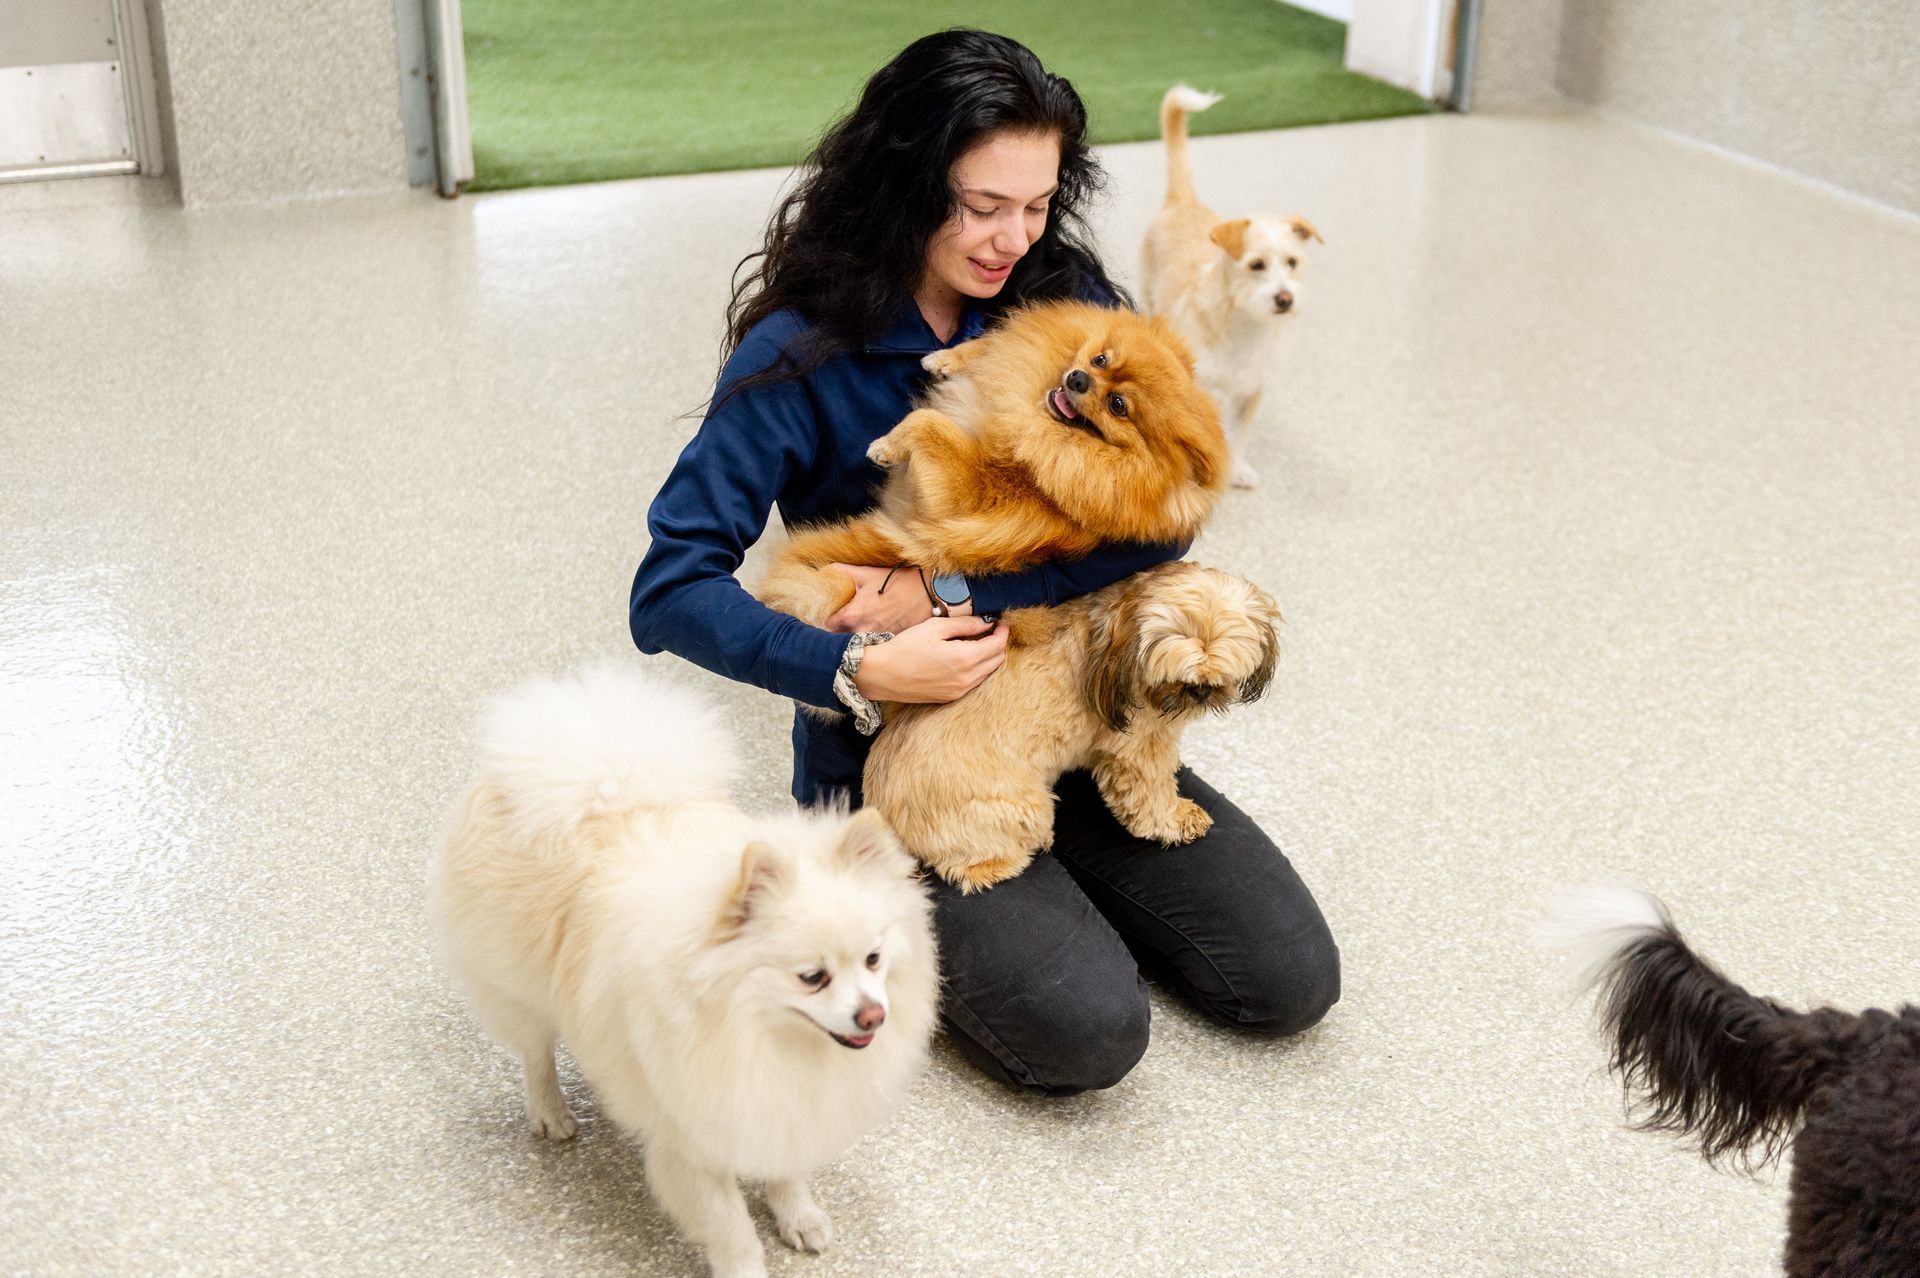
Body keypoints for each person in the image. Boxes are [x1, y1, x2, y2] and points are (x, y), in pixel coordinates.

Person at [630, 28, 1338, 1096]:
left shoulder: (1066, 297)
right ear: (906, 179)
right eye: (979, 204)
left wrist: (953, 591)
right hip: (905, 754)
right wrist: (858, 669)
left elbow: (1172, 509)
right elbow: (668, 589)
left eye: (1037, 203)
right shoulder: (798, 351)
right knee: (1093, 1033)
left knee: (1289, 980)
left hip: (1080, 704)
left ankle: (1065, 872)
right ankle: (1016, 905)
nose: (1013, 237)